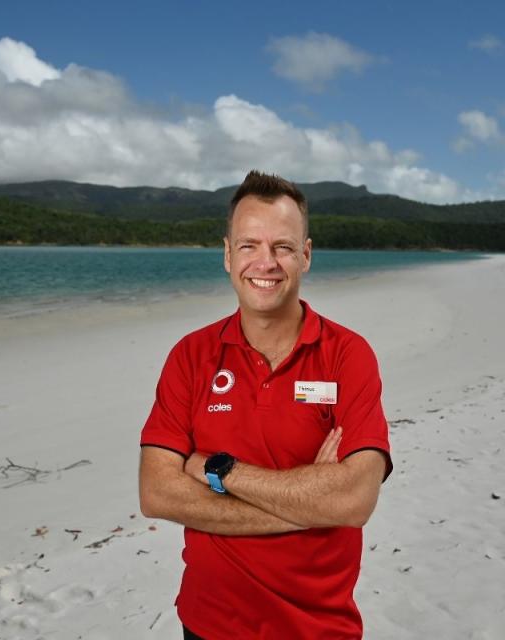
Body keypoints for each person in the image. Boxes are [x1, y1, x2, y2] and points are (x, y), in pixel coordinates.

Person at [138, 170, 392, 639]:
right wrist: (309, 503)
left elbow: (355, 500)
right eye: (249, 245)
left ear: (307, 255)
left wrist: (219, 471)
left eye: (283, 247)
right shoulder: (191, 356)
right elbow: (157, 494)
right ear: (228, 255)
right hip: (208, 623)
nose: (266, 262)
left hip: (317, 628)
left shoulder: (347, 355)